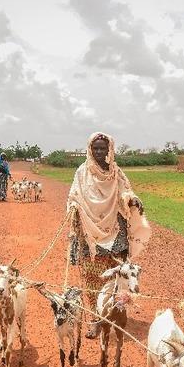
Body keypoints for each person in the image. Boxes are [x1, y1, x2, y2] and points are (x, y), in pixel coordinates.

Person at [66, 132, 151, 338]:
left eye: (103, 148)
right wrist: (74, 208)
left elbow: (125, 192)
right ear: (89, 149)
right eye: (95, 148)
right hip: (89, 233)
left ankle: (116, 313)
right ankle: (96, 319)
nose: (99, 152)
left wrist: (132, 200)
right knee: (92, 279)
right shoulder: (82, 172)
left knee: (118, 277)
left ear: (110, 149)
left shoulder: (116, 172)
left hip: (115, 230)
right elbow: (74, 196)